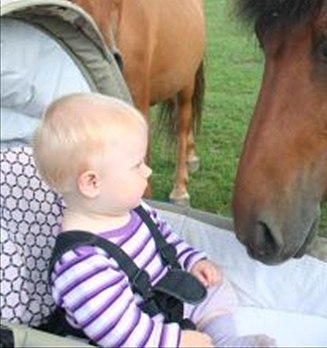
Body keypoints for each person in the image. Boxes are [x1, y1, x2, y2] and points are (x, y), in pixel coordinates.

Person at [32, 92, 275, 348]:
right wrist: (176, 341)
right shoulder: (82, 264)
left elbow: (167, 242)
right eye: (137, 165)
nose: (148, 170)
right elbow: (121, 333)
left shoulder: (133, 209)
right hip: (139, 336)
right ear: (93, 183)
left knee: (213, 288)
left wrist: (193, 261)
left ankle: (225, 340)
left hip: (164, 300)